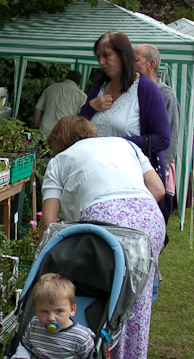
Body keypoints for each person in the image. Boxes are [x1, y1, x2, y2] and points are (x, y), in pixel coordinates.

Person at [39, 115, 166, 359]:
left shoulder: (59, 161)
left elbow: (48, 224)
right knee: (136, 301)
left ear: (59, 143)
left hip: (105, 220)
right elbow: (158, 190)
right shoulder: (124, 145)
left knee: (104, 298)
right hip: (149, 219)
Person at [79, 32, 171, 185]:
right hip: (95, 176)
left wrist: (117, 143)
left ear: (123, 56)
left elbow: (163, 139)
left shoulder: (145, 89)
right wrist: (89, 108)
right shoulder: (99, 88)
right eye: (98, 57)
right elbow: (78, 127)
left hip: (129, 179)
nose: (101, 62)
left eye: (107, 56)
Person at [132, 43, 179, 220]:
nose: (130, 64)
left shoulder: (165, 95)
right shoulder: (131, 91)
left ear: (151, 64)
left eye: (136, 60)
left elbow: (171, 137)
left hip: (153, 172)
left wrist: (161, 174)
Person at [33, 69, 87, 139]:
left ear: (66, 77)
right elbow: (82, 118)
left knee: (43, 149)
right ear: (78, 82)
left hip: (46, 130)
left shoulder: (50, 88)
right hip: (64, 133)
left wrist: (36, 126)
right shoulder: (81, 95)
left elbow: (38, 108)